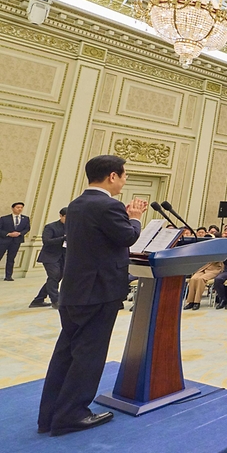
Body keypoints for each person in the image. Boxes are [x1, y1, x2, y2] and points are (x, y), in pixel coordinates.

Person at [38, 155, 147, 436]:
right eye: (123, 176)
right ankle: (72, 414)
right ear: (112, 176)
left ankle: (49, 415)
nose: (124, 181)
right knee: (89, 355)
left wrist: (123, 214)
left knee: (66, 353)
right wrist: (134, 218)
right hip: (99, 291)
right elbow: (127, 237)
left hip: (75, 290)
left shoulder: (77, 204)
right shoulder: (108, 206)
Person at [31, 208, 67, 309]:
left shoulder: (72, 227)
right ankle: (55, 300)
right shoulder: (51, 227)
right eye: (66, 217)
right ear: (61, 216)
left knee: (56, 277)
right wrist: (63, 238)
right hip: (50, 256)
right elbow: (46, 241)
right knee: (54, 276)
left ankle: (38, 300)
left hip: (64, 256)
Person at [0, 201, 30, 280]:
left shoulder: (25, 219)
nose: (19, 209)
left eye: (21, 208)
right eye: (18, 207)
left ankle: (8, 276)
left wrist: (20, 233)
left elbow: (27, 228)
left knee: (11, 259)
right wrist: (8, 234)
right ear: (13, 208)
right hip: (4, 241)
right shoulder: (4, 218)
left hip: (16, 241)